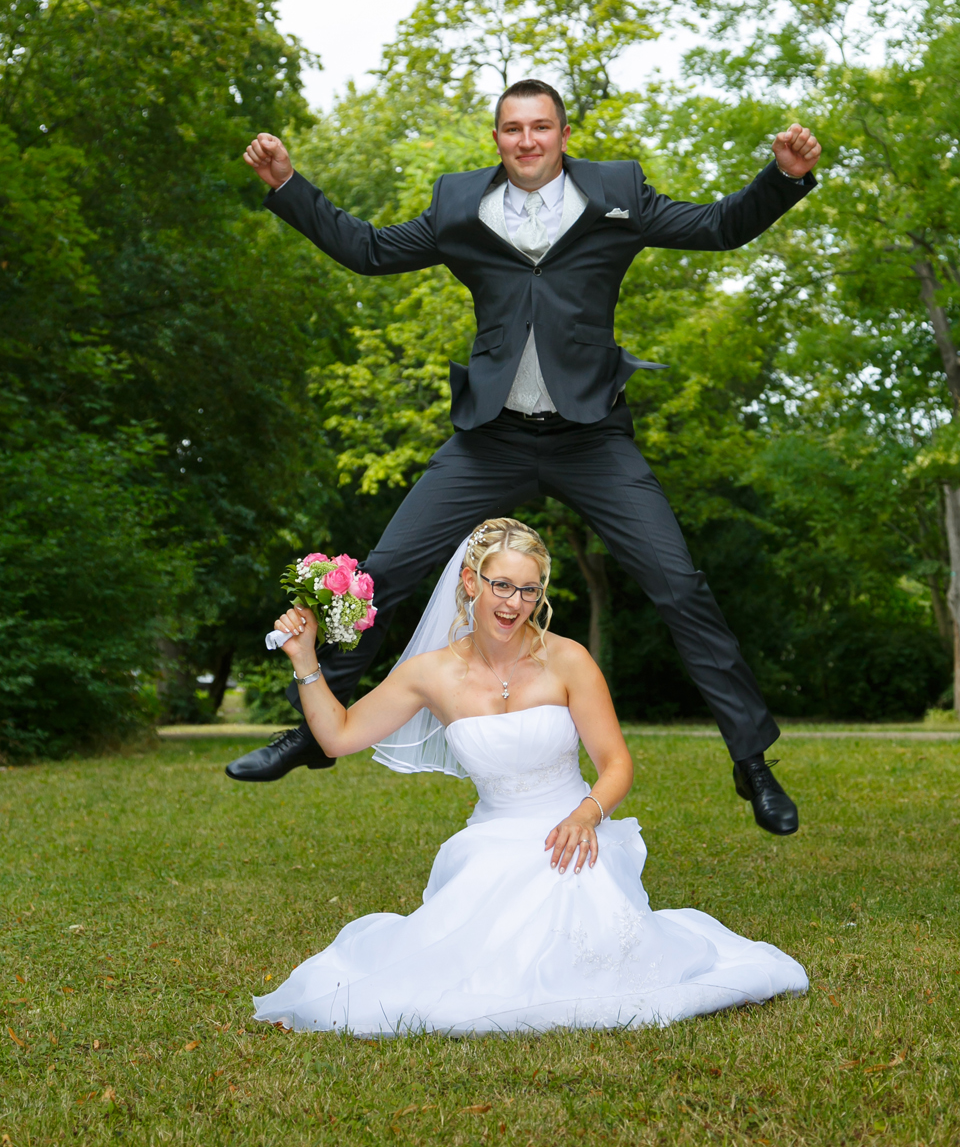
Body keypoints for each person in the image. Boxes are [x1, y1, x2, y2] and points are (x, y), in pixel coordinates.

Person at [230, 79, 822, 836]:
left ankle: (752, 762)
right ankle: (316, 732)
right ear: (497, 139)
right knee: (386, 569)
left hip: (592, 438)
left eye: (541, 127)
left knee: (679, 584)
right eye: (513, 129)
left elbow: (718, 227)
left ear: (564, 135)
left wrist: (783, 179)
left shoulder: (619, 195)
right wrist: (287, 186)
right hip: (493, 437)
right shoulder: (457, 207)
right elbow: (370, 251)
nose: (527, 140)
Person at [252, 518, 807, 1037]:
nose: (514, 604)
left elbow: (616, 764)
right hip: (490, 842)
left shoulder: (568, 661)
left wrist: (587, 814)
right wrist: (305, 661)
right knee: (456, 972)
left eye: (529, 590)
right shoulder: (430, 674)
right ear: (470, 582)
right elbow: (338, 736)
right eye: (501, 586)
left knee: (592, 957)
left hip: (573, 835)